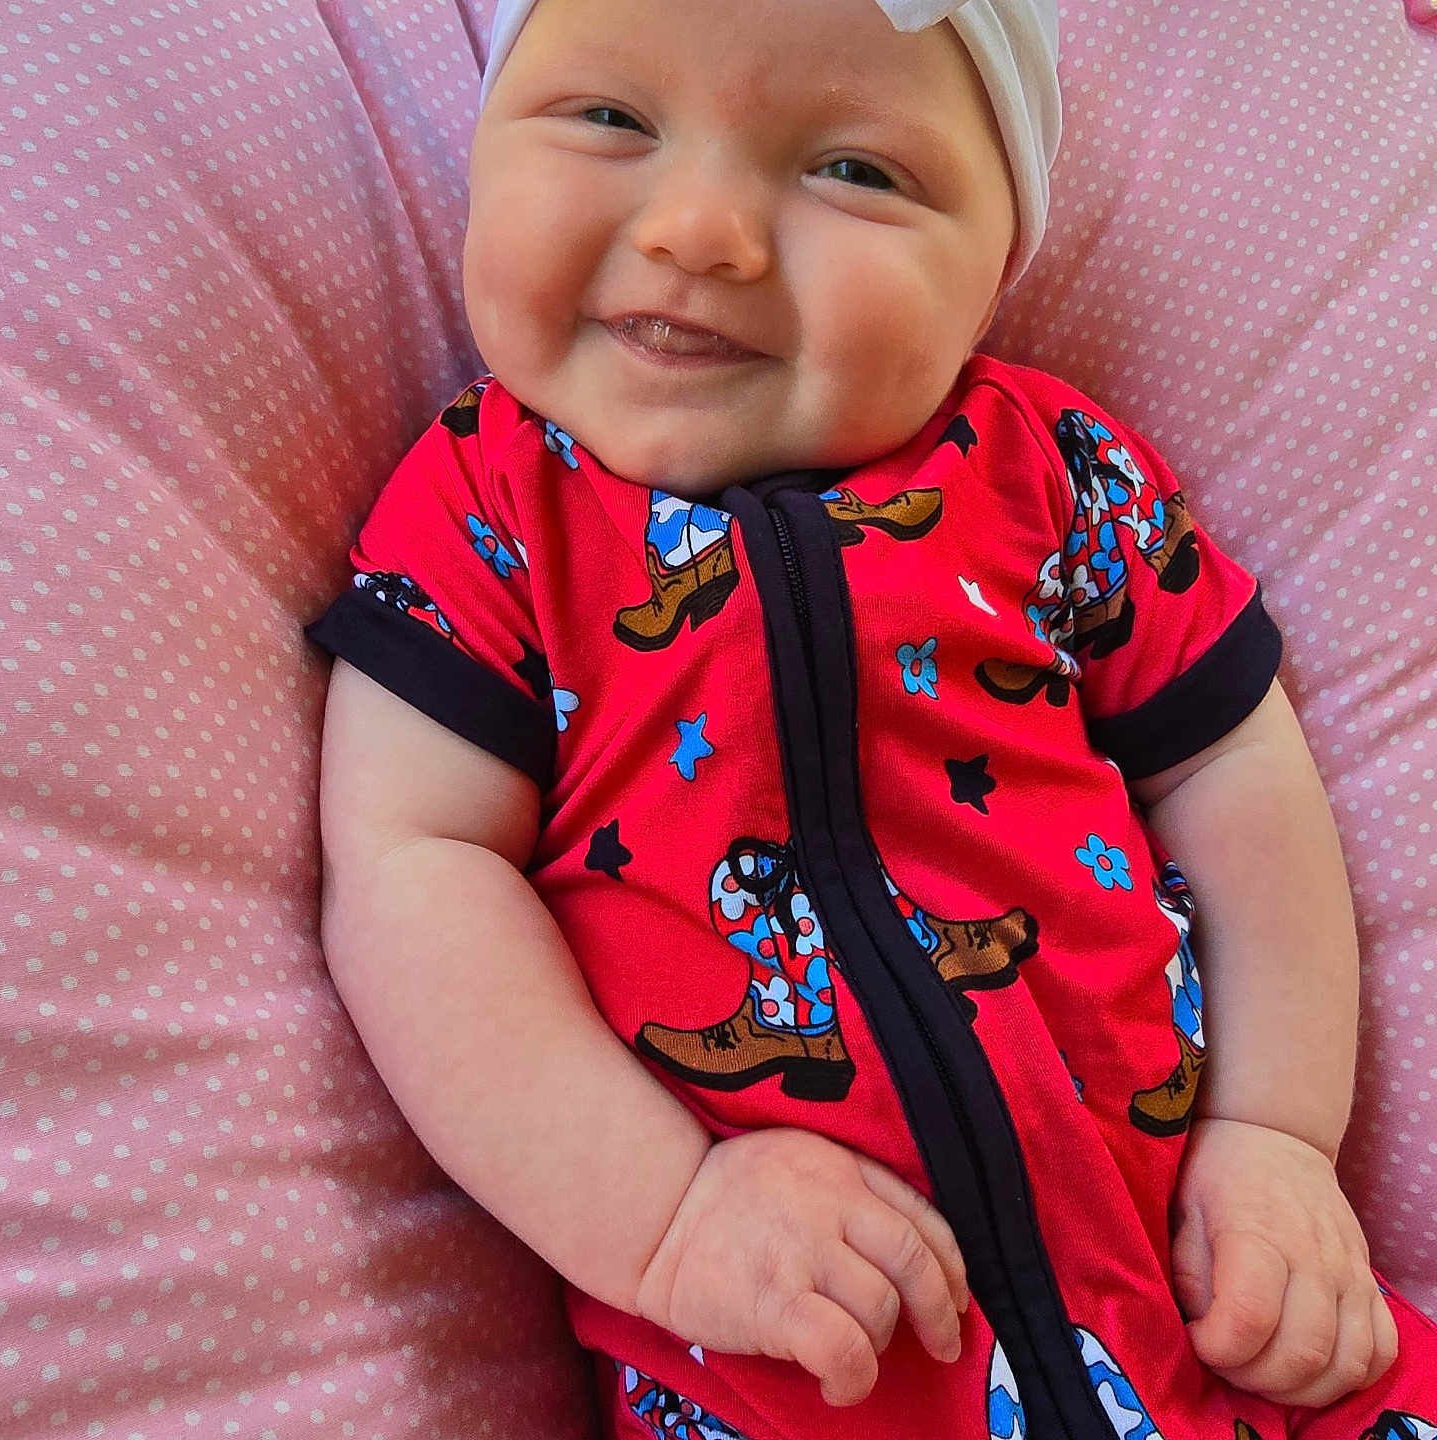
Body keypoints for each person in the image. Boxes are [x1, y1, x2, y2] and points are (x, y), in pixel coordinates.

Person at [306, 0, 1437, 1435]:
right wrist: (666, 1214)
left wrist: (1278, 1135)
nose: (702, 230)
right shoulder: (486, 511)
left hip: (1228, 1323)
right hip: (802, 1369)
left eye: (854, 171)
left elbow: (1236, 766)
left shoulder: (1052, 475)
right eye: (611, 120)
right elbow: (410, 874)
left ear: (993, 272)